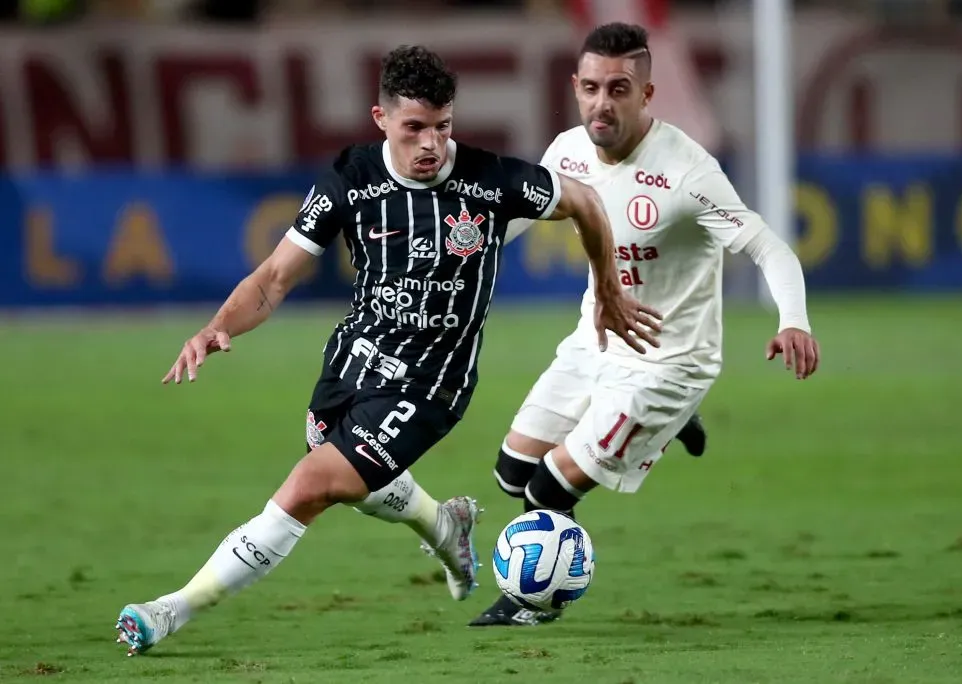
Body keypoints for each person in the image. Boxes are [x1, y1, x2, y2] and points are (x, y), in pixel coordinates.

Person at [114, 44, 662, 656]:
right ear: (382, 120)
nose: (432, 143)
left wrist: (609, 291)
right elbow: (273, 278)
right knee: (345, 476)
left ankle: (169, 611)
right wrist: (218, 326)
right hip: (355, 356)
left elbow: (585, 200)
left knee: (310, 486)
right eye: (415, 128)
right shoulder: (352, 176)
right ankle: (442, 523)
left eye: (443, 126)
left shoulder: (490, 179)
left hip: (432, 383)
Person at [469, 23, 821, 627]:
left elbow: (770, 248)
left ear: (646, 94)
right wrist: (456, 248)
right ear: (575, 88)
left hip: (669, 360)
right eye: (589, 88)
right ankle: (665, 431)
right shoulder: (567, 152)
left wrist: (794, 321)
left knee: (549, 491)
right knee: (512, 474)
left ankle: (532, 602)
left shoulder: (687, 172)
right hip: (596, 339)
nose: (601, 103)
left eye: (618, 89)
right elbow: (509, 226)